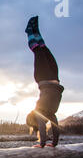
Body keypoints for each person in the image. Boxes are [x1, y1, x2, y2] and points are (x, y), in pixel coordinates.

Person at [25, 16, 64, 148]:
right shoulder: (51, 113)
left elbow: (42, 125)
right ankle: (36, 30)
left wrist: (42, 144)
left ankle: (30, 31)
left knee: (37, 49)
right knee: (44, 48)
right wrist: (53, 144)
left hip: (43, 78)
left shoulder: (39, 111)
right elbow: (55, 126)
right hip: (55, 79)